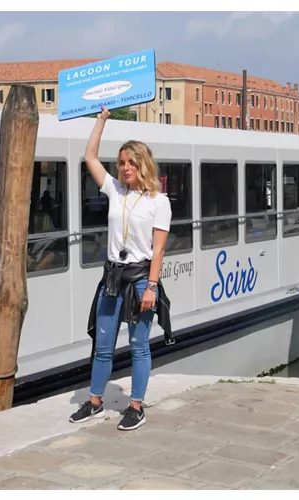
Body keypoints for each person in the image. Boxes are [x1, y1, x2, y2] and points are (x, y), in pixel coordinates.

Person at [69, 106, 173, 431]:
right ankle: (95, 400)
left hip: (141, 278)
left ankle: (136, 406)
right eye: (122, 163)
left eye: (131, 163)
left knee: (139, 345)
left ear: (143, 164)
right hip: (112, 277)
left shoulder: (159, 201)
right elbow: (89, 157)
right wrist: (101, 121)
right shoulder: (115, 190)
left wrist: (152, 286)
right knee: (103, 344)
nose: (125, 168)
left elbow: (158, 249)